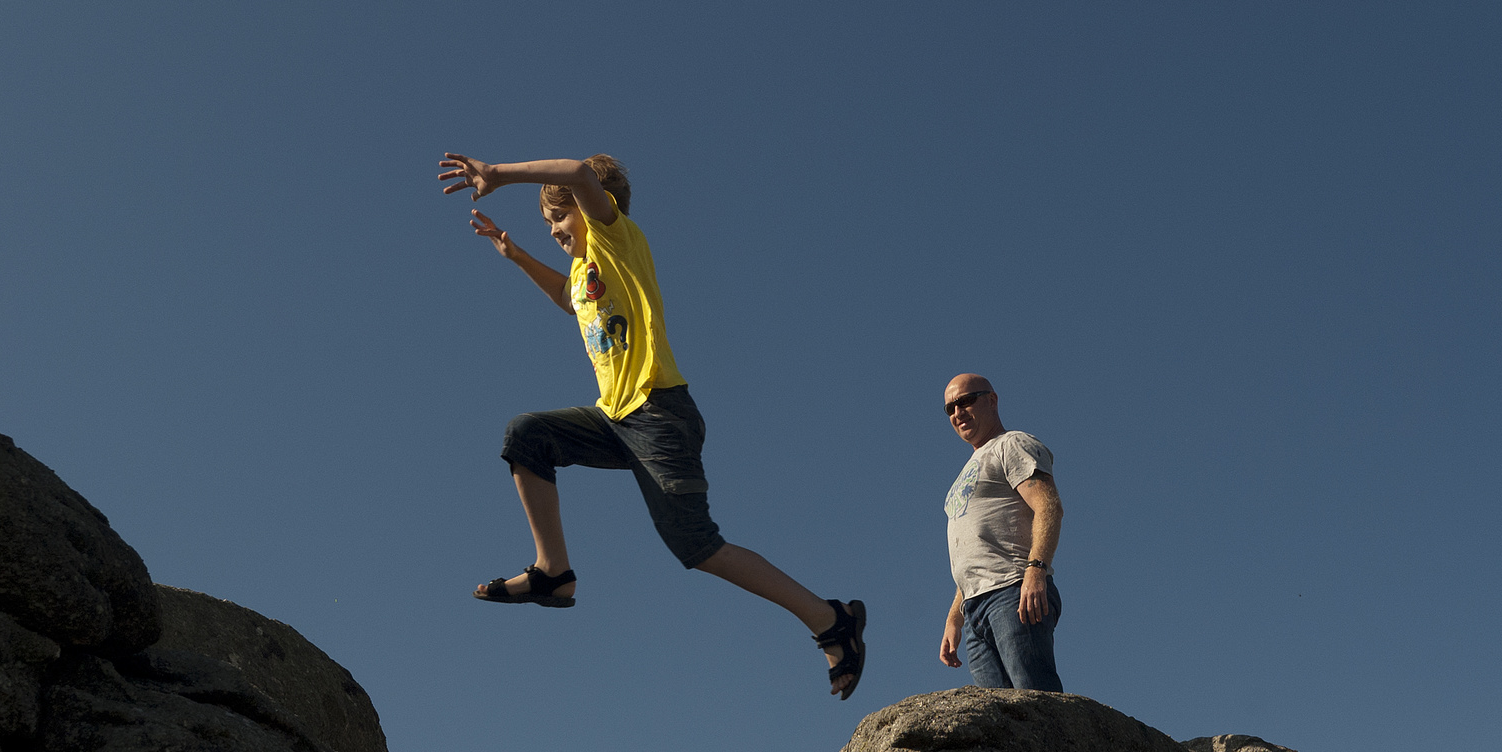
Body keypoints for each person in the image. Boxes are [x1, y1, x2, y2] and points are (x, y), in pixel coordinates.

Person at [436, 152, 865, 698]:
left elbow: (578, 175)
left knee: (696, 545)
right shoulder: (585, 268)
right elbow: (572, 301)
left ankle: (831, 619)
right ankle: (554, 572)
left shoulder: (617, 237)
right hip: (615, 417)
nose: (554, 232)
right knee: (526, 434)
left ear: (595, 210)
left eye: (560, 219)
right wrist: (515, 253)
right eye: (548, 225)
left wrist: (498, 174)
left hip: (659, 412)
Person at [938, 373, 1065, 692]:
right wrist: (956, 617)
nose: (957, 413)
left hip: (1013, 592)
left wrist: (1035, 572)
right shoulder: (966, 470)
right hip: (975, 608)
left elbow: (1048, 507)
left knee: (1035, 702)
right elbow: (979, 552)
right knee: (1000, 721)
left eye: (965, 401)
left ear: (991, 400)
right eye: (950, 408)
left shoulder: (1012, 444)